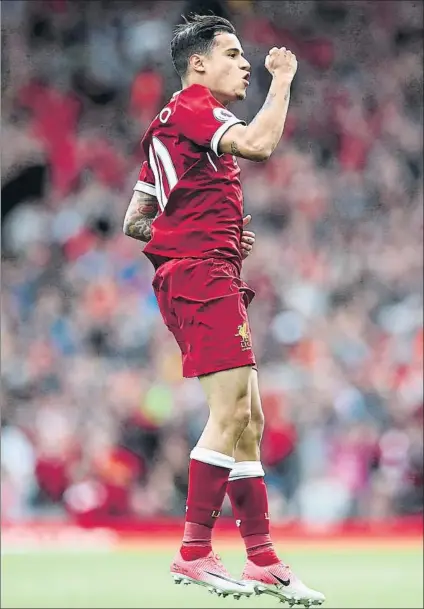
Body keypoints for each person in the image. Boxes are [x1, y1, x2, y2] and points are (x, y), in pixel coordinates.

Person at [123, 13, 325, 607]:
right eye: (233, 54)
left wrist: (208, 229)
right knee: (232, 412)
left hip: (207, 271)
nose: (245, 63)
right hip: (202, 277)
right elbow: (260, 144)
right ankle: (193, 550)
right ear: (198, 64)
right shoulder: (192, 108)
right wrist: (283, 79)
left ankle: (262, 560)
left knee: (251, 421)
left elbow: (137, 220)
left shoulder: (168, 128)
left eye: (246, 56)